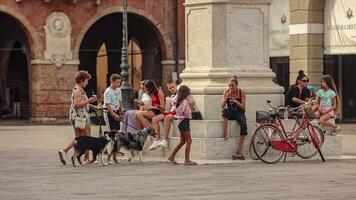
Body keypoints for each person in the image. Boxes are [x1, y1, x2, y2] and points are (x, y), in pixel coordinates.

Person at [58, 70, 98, 165]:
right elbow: (76, 104)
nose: (87, 83)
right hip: (81, 117)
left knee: (79, 138)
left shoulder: (77, 89)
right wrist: (90, 100)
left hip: (76, 116)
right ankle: (86, 158)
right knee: (86, 138)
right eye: (86, 80)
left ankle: (65, 151)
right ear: (81, 80)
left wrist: (92, 106)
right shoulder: (79, 91)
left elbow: (80, 102)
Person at [167, 85, 197, 165]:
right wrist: (191, 107)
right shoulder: (184, 102)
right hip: (184, 121)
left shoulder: (178, 101)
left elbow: (179, 111)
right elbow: (186, 113)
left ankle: (171, 156)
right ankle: (187, 160)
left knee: (182, 141)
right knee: (189, 141)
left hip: (180, 122)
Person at [221, 76, 248, 160]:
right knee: (224, 112)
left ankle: (240, 149)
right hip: (230, 112)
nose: (231, 88)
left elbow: (243, 107)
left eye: (232, 85)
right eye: (229, 86)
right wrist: (226, 97)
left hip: (239, 113)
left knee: (244, 126)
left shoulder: (241, 92)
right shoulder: (226, 92)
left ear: (237, 85)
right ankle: (225, 133)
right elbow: (222, 105)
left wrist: (236, 101)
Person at [135, 80, 165, 149]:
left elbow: (163, 107)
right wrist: (145, 107)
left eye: (147, 89)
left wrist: (151, 107)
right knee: (137, 114)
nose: (146, 90)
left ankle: (150, 131)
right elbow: (151, 104)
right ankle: (145, 131)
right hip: (152, 111)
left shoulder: (159, 92)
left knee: (138, 114)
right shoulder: (151, 94)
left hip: (159, 111)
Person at [150, 81, 178, 149]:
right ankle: (157, 139)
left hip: (177, 113)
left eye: (173, 87)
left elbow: (177, 108)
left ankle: (165, 140)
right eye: (169, 88)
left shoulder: (179, 94)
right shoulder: (172, 96)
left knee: (167, 118)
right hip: (171, 112)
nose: (171, 89)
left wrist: (167, 113)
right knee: (154, 119)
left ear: (176, 86)